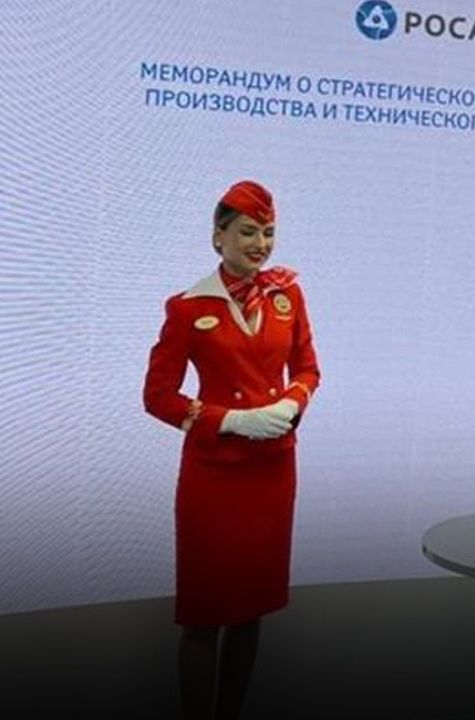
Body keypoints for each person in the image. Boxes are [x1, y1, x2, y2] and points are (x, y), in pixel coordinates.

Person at [143, 180, 320, 719]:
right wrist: (231, 420)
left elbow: (308, 368)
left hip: (271, 471)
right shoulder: (187, 307)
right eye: (247, 232)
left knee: (250, 609)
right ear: (218, 236)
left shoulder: (288, 296)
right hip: (214, 477)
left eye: (268, 233)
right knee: (204, 614)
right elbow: (158, 396)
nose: (260, 244)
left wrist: (291, 402)